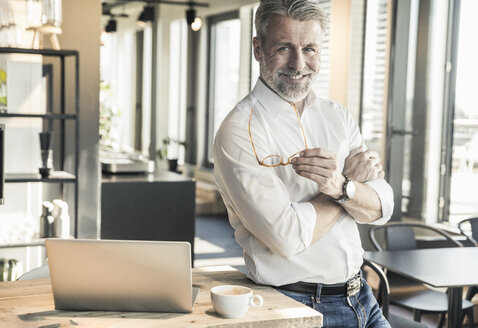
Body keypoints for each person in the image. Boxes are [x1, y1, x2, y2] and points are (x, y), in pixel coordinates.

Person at [213, 0, 394, 327]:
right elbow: (285, 236)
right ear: (258, 47)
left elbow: (381, 208)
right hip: (295, 304)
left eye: (310, 49)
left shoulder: (337, 116)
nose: (299, 64)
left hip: (363, 297)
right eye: (284, 48)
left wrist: (341, 185)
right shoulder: (239, 130)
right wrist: (348, 189)